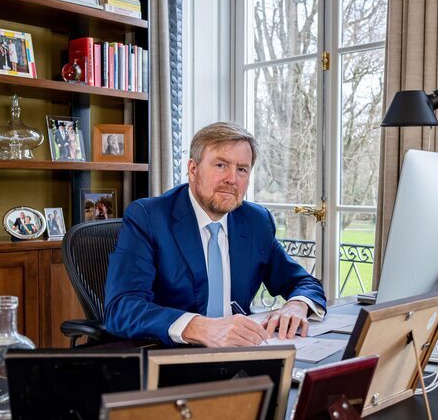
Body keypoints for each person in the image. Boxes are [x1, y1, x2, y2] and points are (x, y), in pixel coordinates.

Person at [104, 122, 326, 347]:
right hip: (172, 355)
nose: (232, 179)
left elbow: (302, 282)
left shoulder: (256, 221)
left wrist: (297, 305)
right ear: (193, 170)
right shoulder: (149, 217)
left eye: (242, 169)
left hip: (241, 354)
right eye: (221, 165)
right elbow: (122, 306)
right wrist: (201, 328)